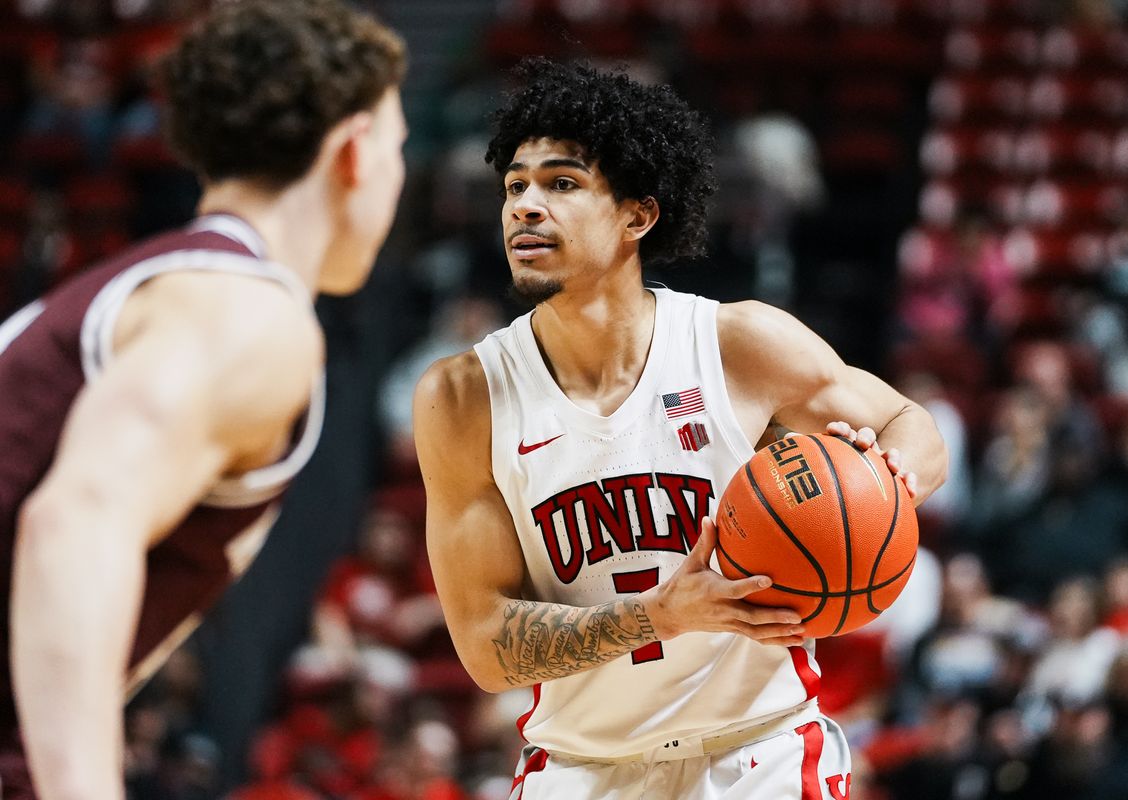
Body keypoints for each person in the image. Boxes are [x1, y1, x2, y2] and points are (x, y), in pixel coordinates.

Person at [413, 60, 947, 799]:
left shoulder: (737, 344)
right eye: (514, 186)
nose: (524, 207)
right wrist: (657, 615)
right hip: (580, 769)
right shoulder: (464, 398)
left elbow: (907, 421)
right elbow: (486, 647)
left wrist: (879, 479)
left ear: (638, 214)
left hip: (759, 754)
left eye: (560, 184)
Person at [0, 1, 408, 797]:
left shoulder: (168, 282)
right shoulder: (247, 313)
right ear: (356, 151)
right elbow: (76, 521)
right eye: (396, 147)